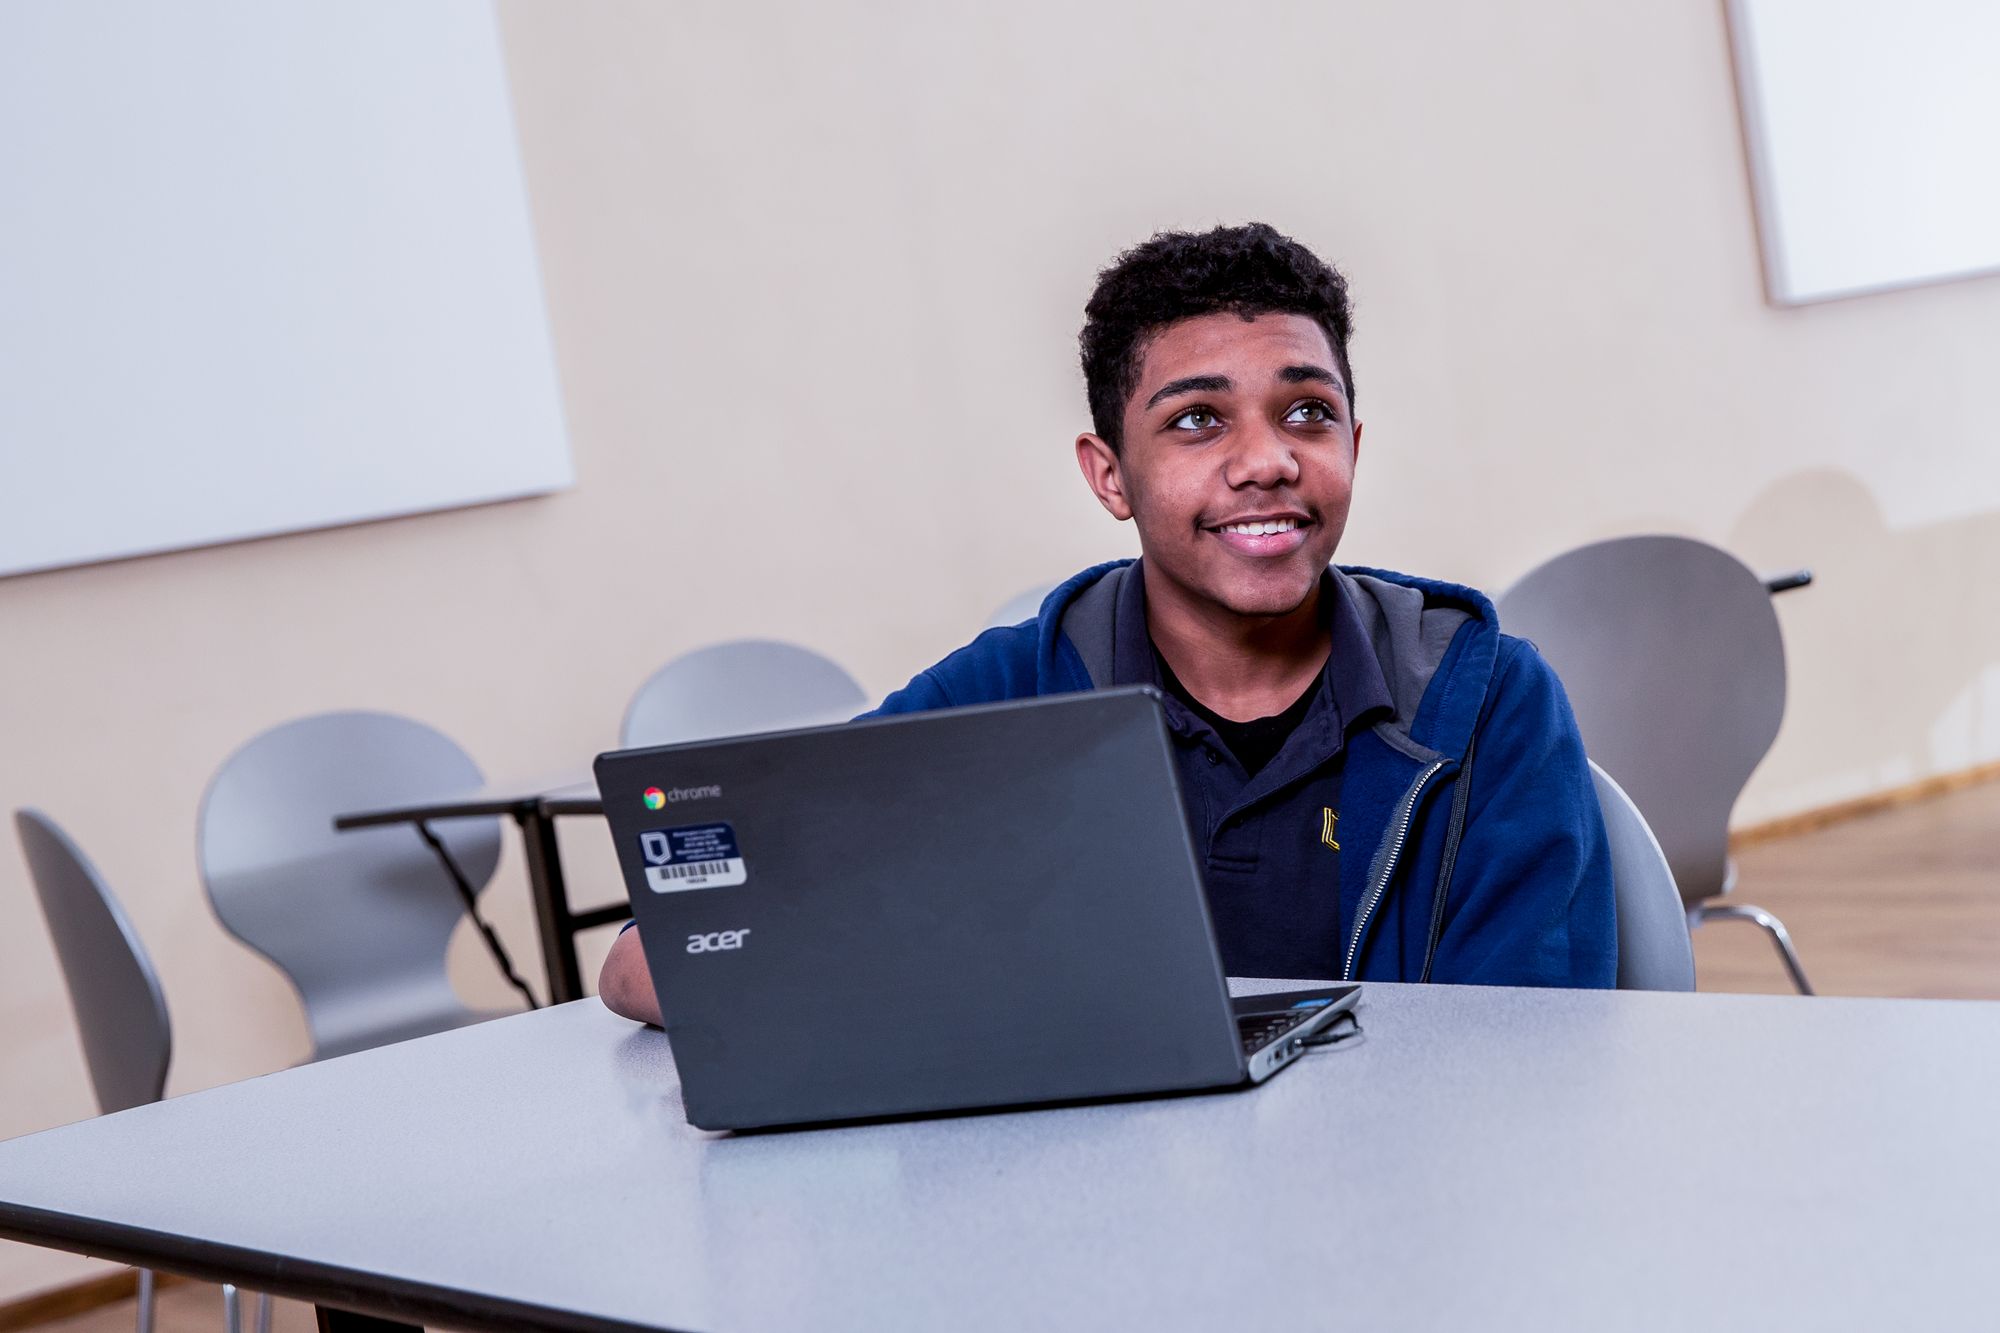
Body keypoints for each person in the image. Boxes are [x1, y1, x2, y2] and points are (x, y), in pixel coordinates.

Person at [598, 222, 1614, 1025]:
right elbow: (648, 963)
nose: (1265, 459)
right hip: (1097, 1227)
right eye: (1194, 419)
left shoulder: (1480, 701)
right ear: (1107, 477)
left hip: (1411, 1223)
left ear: (1354, 440)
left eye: (1306, 411)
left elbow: (1530, 1052)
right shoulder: (1013, 691)